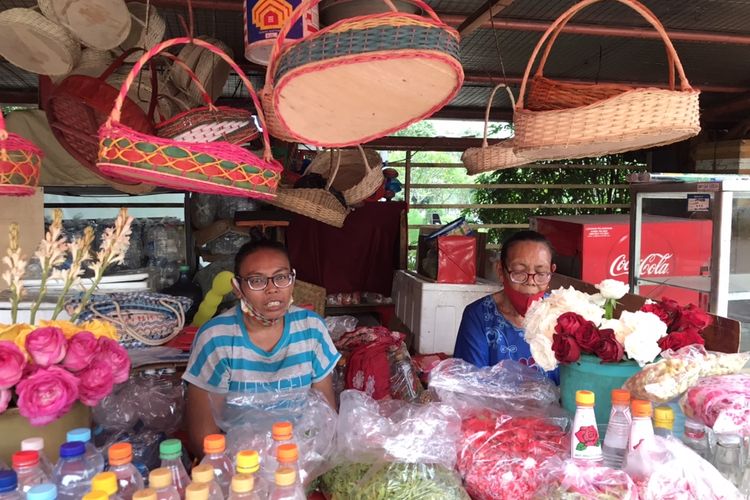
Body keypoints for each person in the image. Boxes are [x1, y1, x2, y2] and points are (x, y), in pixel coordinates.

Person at [183, 239, 341, 456]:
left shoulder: (311, 329)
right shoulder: (216, 338)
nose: (272, 290)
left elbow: (326, 416)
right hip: (241, 464)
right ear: (237, 288)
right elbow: (204, 437)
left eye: (281, 278)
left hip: (301, 458)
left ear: (292, 280)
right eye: (257, 281)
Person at [453, 230, 559, 383]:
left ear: (551, 272)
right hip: (493, 407)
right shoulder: (478, 315)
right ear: (500, 271)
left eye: (541, 272)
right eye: (519, 272)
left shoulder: (563, 315)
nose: (530, 282)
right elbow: (470, 386)